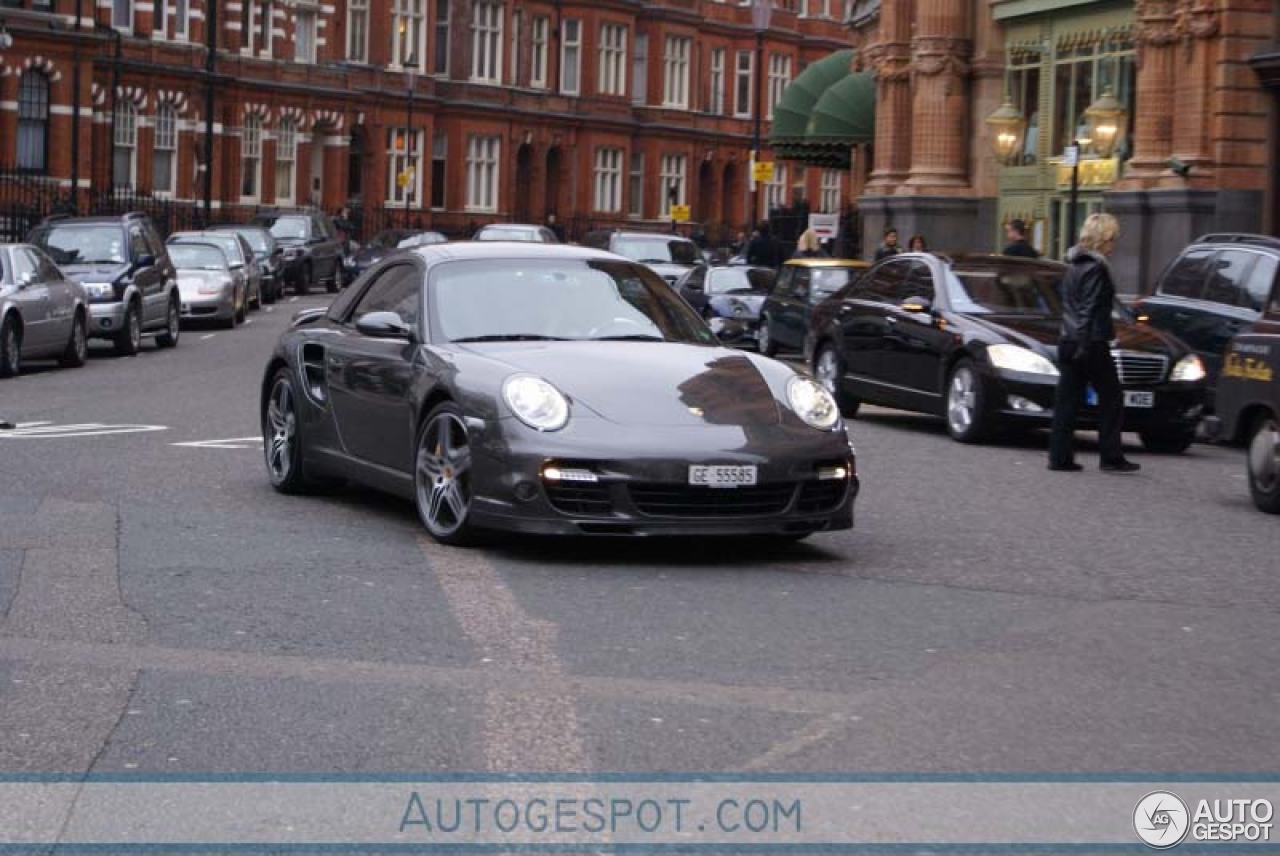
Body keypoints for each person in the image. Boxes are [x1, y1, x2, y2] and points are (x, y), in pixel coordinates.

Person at [1047, 213, 1140, 474]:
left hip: (1067, 338)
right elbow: (1088, 308)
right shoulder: (1097, 267)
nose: (1115, 244)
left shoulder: (1073, 264)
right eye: (1114, 238)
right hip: (1089, 342)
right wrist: (1085, 344)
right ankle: (1111, 457)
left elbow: (1069, 306)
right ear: (1105, 238)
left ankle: (1059, 457)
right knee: (1112, 398)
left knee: (1066, 402)